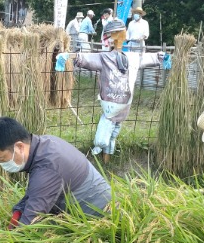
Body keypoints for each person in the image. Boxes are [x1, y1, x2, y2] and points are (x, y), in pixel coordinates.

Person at [55, 19, 171, 164]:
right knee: (107, 134)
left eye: (114, 34)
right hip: (112, 104)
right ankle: (104, 157)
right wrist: (69, 56)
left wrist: (161, 56)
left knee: (114, 130)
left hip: (123, 105)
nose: (114, 37)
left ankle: (105, 158)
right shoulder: (106, 58)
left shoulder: (130, 58)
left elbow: (147, 58)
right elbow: (86, 59)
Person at [0, 117, 112, 228]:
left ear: (19, 147)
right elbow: (35, 192)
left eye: (2, 158)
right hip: (91, 201)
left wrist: (10, 241)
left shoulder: (47, 167)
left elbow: (31, 221)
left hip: (98, 219)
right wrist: (18, 211)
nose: (1, 163)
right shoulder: (44, 144)